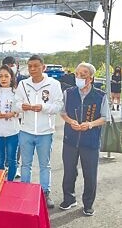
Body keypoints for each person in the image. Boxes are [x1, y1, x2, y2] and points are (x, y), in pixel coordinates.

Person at [14, 55, 63, 209]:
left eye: (36, 66)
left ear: (43, 67)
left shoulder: (53, 84)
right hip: (26, 130)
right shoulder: (23, 84)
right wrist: (23, 106)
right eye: (30, 66)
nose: (32, 69)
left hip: (45, 132)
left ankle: (45, 192)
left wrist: (43, 107)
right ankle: (24, 191)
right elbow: (15, 104)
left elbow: (58, 105)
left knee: (45, 164)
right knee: (25, 164)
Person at [59, 62, 106, 216]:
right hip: (70, 139)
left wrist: (90, 124)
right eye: (77, 74)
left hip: (90, 141)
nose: (79, 77)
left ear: (90, 78)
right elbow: (63, 112)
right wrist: (70, 121)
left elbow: (105, 117)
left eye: (83, 74)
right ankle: (69, 198)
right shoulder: (69, 93)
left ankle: (88, 204)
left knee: (90, 174)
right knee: (69, 172)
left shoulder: (100, 95)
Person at [0, 65, 20, 181]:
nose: (3, 79)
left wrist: (13, 114)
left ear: (11, 78)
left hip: (13, 131)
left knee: (12, 159)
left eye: (6, 76)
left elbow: (21, 111)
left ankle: (10, 183)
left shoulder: (17, 93)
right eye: (1, 76)